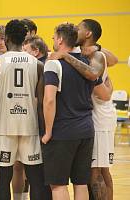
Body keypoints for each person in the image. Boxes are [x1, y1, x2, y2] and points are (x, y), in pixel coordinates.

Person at [48, 19, 117, 200]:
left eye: (79, 28)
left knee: (98, 172)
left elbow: (96, 79)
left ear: (87, 34)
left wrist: (64, 55)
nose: (75, 31)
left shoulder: (96, 55)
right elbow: (115, 60)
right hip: (88, 118)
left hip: (100, 118)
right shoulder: (86, 53)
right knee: (88, 177)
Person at [0, 19, 51, 200]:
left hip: (4, 128)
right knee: (36, 179)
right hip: (29, 127)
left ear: (6, 38)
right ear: (25, 39)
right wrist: (43, 130)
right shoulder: (38, 65)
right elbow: (41, 103)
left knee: (4, 178)